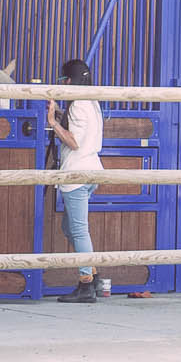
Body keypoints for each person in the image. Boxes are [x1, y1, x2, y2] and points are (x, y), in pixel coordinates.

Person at [47, 57, 107, 302]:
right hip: (92, 170)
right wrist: (61, 114)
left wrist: (52, 123)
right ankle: (92, 273)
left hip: (77, 173)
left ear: (69, 80)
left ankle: (86, 283)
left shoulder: (78, 105)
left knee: (79, 230)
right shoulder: (91, 101)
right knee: (68, 228)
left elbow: (74, 141)